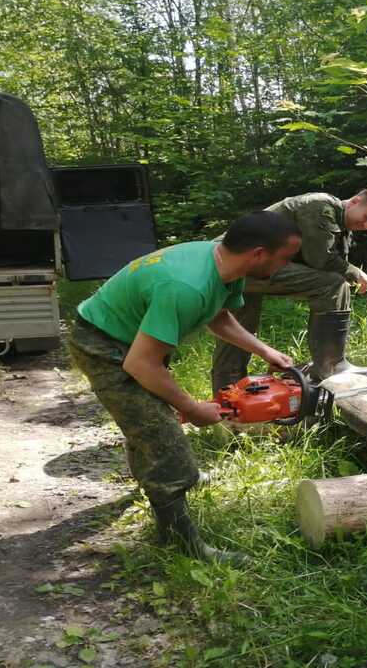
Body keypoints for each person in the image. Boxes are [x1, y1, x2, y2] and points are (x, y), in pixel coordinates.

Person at [66, 210, 301, 564]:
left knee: (148, 421)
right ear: (258, 254)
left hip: (129, 342)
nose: (285, 265)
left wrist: (264, 350)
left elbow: (217, 314)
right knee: (164, 438)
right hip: (102, 345)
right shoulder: (186, 285)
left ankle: (155, 479)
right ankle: (182, 543)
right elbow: (140, 364)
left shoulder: (223, 262)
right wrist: (192, 408)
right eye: (284, 258)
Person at [210, 188, 367, 393]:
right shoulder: (319, 206)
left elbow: (326, 259)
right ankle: (331, 365)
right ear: (355, 201)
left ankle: (228, 399)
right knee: (333, 284)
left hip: (238, 265)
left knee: (238, 332)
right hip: (239, 262)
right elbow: (320, 259)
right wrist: (355, 272)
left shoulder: (341, 223)